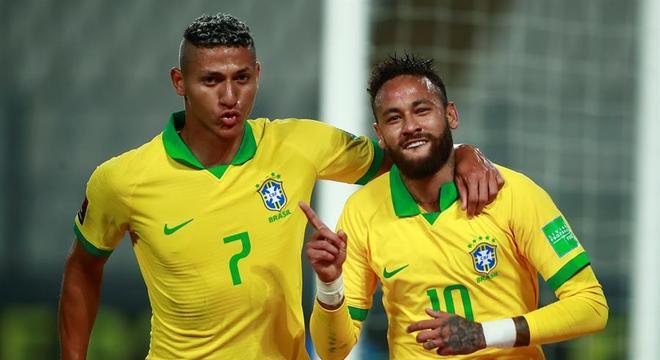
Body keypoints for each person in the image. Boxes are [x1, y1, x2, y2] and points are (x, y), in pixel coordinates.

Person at [57, 14, 502, 360]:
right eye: (211, 81)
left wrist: (463, 150)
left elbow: (408, 152)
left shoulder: (299, 144)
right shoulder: (123, 179)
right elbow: (82, 268)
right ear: (180, 83)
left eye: (241, 78)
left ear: (257, 74)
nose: (229, 96)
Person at [302, 54, 608, 359]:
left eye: (421, 110)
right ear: (380, 135)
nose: (410, 126)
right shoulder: (362, 211)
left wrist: (483, 334)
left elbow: (591, 306)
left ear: (451, 116)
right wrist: (330, 285)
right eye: (394, 118)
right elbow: (332, 352)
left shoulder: (512, 192)